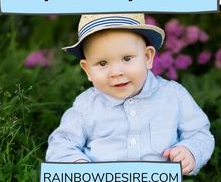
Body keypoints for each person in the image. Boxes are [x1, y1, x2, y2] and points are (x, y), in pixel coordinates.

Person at [46, 13, 214, 175]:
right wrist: (77, 167)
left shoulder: (173, 96)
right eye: (102, 63)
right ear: (87, 69)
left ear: (147, 57)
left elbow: (199, 133)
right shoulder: (86, 106)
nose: (116, 72)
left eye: (127, 58)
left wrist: (190, 151)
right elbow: (61, 144)